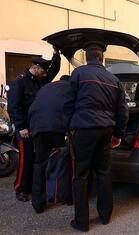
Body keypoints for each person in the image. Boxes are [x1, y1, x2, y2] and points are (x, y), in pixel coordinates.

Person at [67, 41, 128, 232]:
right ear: (102, 58)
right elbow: (123, 111)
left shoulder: (78, 74)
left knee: (80, 176)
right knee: (103, 173)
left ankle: (82, 222)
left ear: (87, 57)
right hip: (106, 130)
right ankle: (105, 216)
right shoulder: (113, 79)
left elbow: (68, 104)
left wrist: (67, 130)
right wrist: (118, 134)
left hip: (83, 130)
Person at [7, 47, 61, 202]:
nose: (45, 75)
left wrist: (56, 54)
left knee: (36, 157)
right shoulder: (19, 82)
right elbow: (14, 107)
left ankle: (30, 185)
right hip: (25, 127)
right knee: (26, 158)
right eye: (42, 71)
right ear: (35, 68)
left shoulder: (38, 80)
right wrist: (21, 126)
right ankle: (20, 188)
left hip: (36, 126)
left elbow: (52, 71)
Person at [28, 75, 72, 213]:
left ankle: (38, 203)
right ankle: (66, 196)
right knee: (63, 160)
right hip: (56, 126)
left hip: (37, 126)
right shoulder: (70, 88)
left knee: (40, 163)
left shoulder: (46, 87)